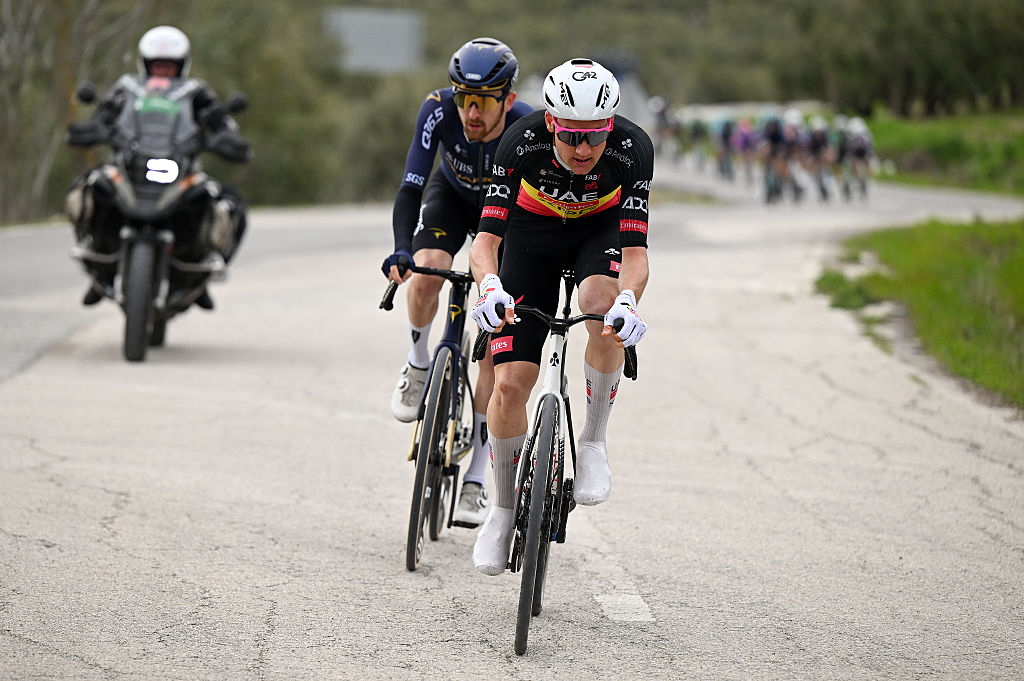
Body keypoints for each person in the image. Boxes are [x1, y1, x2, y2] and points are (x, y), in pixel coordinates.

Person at [467, 58, 653, 575]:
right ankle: (502, 510)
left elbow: (635, 256)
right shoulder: (519, 144)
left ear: (610, 126)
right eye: (572, 135)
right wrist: (488, 288)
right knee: (508, 385)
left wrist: (629, 300)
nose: (584, 149)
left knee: (601, 305)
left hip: (599, 233)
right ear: (551, 122)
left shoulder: (633, 150)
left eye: (595, 136)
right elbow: (485, 243)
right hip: (533, 236)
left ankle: (593, 440)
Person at [381, 37, 533, 527]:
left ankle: (477, 478)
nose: (470, 111)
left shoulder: (526, 124)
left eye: (484, 100)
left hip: (505, 218)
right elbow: (410, 185)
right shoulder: (436, 109)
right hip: (451, 196)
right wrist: (402, 248)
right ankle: (419, 362)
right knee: (424, 273)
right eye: (463, 97)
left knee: (494, 344)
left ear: (507, 99)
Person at [66, 25, 251, 309]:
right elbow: (103, 117)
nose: (163, 72)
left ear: (181, 65)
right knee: (89, 187)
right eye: (157, 66)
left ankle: (200, 275)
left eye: (169, 66)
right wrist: (91, 130)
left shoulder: (195, 92)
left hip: (180, 168)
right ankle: (98, 268)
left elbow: (219, 123)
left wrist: (226, 139)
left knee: (230, 204)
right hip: (130, 166)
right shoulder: (127, 88)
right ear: (145, 63)